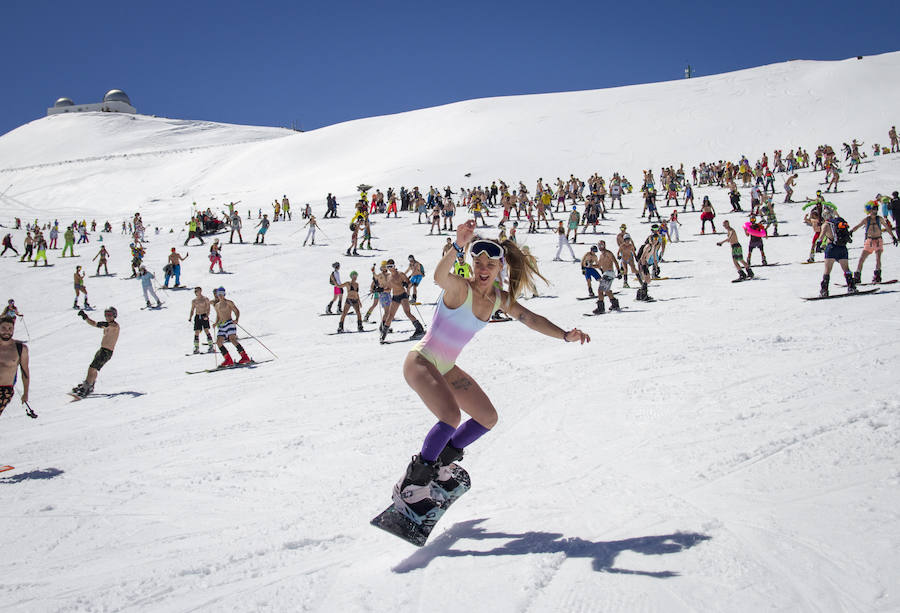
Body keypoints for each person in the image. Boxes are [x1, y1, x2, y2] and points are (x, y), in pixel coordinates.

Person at [388, 220, 590, 524]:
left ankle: (441, 465)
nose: (483, 268)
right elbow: (439, 276)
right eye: (478, 262)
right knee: (451, 417)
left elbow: (531, 319)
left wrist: (564, 334)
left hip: (446, 367)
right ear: (471, 263)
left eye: (490, 264)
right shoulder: (460, 287)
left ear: (500, 268)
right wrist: (458, 244)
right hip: (421, 362)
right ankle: (412, 486)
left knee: (487, 417)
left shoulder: (498, 298)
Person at [72, 306, 120, 398]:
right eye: (106, 314)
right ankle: (89, 385)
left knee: (92, 368)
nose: (107, 316)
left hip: (106, 352)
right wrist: (86, 317)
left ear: (114, 315)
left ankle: (86, 387)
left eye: (109, 315)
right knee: (94, 369)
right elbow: (94, 324)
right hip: (102, 350)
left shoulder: (115, 325)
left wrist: (105, 324)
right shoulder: (108, 325)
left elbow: (110, 325)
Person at [851, 202, 898, 284]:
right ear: (870, 210)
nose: (875, 211)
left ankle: (877, 275)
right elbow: (858, 226)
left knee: (878, 258)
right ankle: (857, 276)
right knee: (862, 258)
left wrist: (893, 237)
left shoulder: (879, 218)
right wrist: (850, 231)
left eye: (876, 209)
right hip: (869, 241)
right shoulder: (867, 219)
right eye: (874, 209)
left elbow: (887, 227)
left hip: (878, 240)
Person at [380, 259, 425, 342]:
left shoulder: (400, 274)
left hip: (403, 295)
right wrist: (381, 290)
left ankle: (419, 329)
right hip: (395, 297)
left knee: (407, 312)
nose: (390, 268)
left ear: (394, 266)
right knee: (390, 315)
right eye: (388, 267)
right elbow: (389, 289)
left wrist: (407, 284)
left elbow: (409, 283)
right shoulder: (389, 278)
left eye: (391, 266)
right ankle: (383, 335)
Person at [818, 212, 857, 297]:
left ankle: (824, 290)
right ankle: (851, 287)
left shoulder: (826, 224)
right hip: (842, 247)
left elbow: (821, 235)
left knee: (827, 270)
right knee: (846, 268)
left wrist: (818, 244)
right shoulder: (839, 223)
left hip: (831, 248)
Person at [210, 287, 251, 367]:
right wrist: (216, 323)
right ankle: (228, 359)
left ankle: (244, 357)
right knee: (219, 342)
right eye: (219, 294)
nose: (220, 296)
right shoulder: (216, 305)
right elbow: (218, 315)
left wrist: (236, 319)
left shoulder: (229, 302)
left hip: (229, 322)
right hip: (222, 325)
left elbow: (236, 310)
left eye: (222, 294)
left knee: (232, 339)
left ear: (224, 294)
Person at [0, 314, 31, 418]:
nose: (7, 331)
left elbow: (25, 372)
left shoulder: (20, 349)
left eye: (10, 328)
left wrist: (25, 393)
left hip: (4, 391)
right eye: (3, 328)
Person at [188, 287, 216, 353]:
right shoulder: (194, 301)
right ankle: (196, 347)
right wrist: (190, 317)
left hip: (204, 315)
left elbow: (208, 308)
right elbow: (192, 309)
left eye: (196, 291)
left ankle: (211, 346)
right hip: (197, 316)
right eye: (195, 291)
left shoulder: (205, 299)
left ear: (200, 291)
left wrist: (207, 315)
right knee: (196, 332)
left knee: (206, 330)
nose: (195, 292)